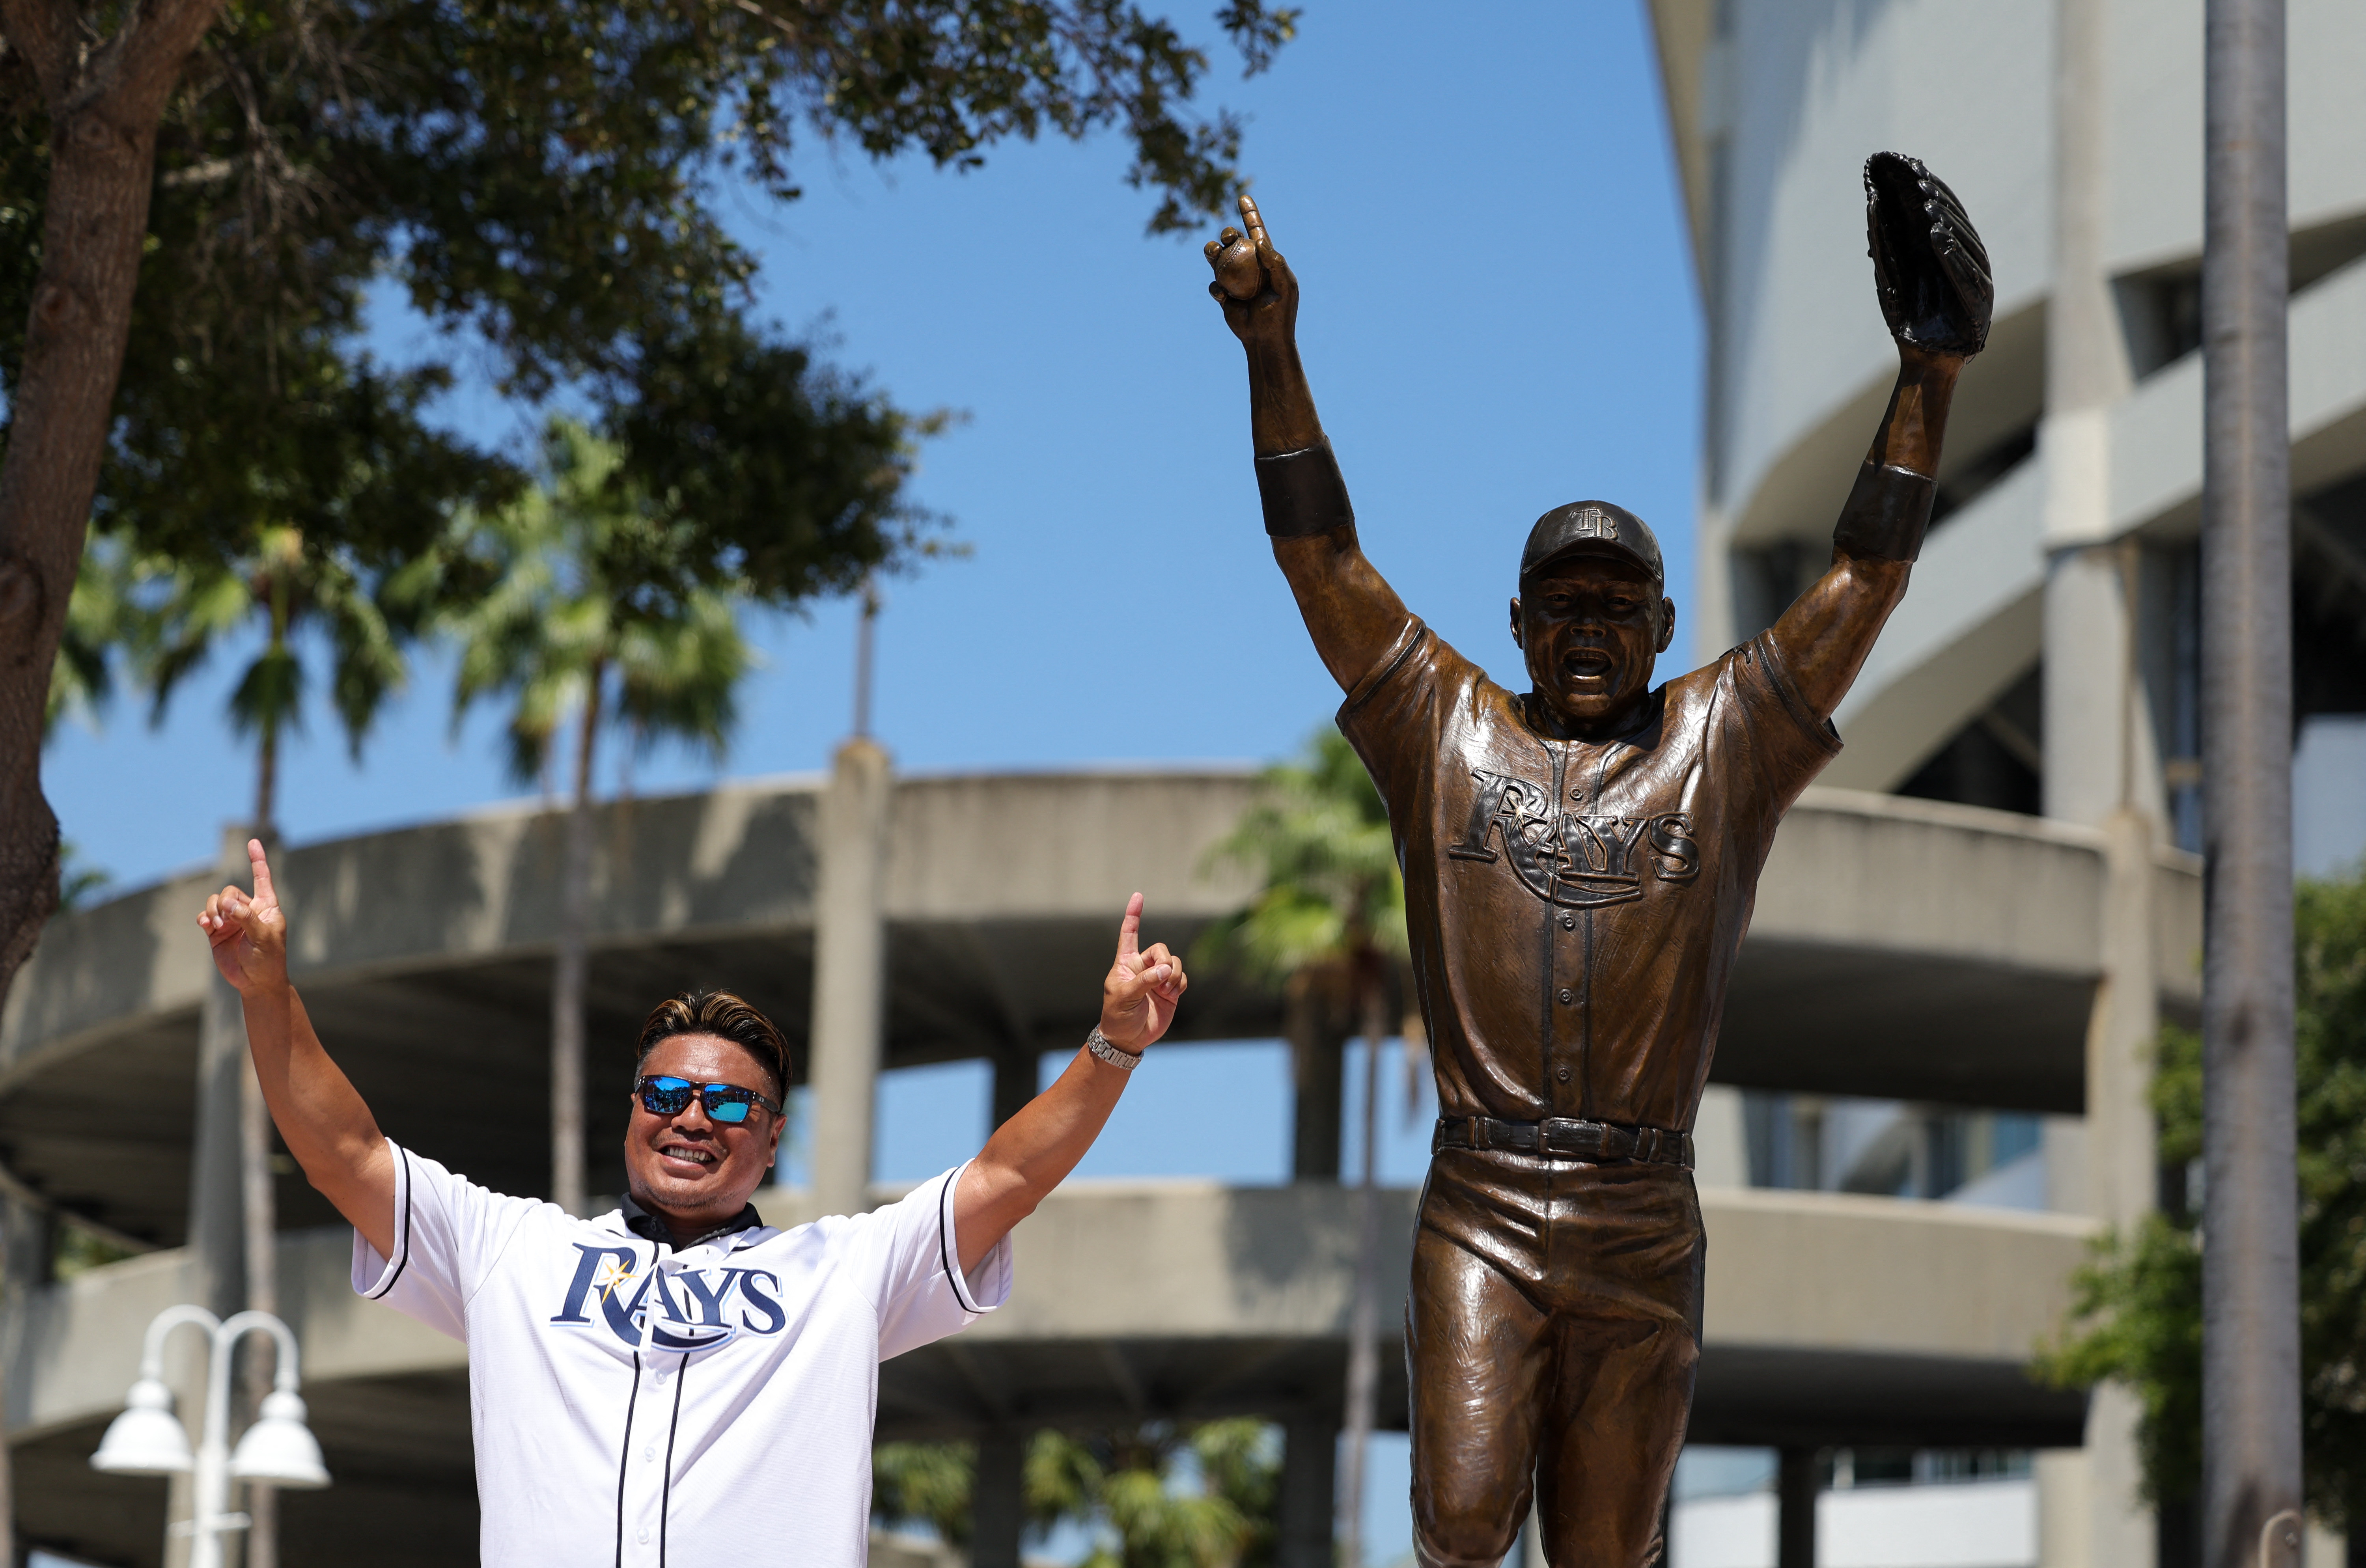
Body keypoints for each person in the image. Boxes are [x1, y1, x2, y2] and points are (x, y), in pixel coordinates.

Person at [1201, 154, 1991, 1568]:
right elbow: (1321, 558)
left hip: (1642, 1215)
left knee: (1607, 1555)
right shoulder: (1441, 725)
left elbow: (1863, 577)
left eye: (1616, 608)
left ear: (1661, 621)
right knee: (1458, 1516)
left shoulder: (1729, 736)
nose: (1585, 630)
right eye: (1559, 605)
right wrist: (1274, 349)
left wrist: (1929, 377)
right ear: (1514, 622)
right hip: (1486, 1201)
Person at [197, 841, 1187, 1565]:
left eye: (729, 1102)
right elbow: (346, 1153)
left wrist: (1113, 1048)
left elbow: (1006, 1177)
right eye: (667, 1094)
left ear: (771, 1136)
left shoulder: (839, 1272)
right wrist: (267, 992)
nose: (693, 1118)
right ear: (633, 1111)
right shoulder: (514, 1247)